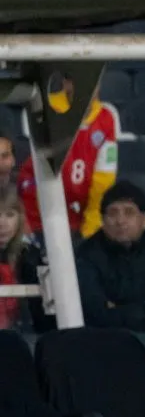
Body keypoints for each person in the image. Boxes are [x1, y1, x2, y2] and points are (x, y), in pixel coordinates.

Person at [76, 181, 145, 332]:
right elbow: (96, 316)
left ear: (144, 221)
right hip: (108, 343)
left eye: (129, 212)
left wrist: (119, 310)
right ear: (102, 221)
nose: (120, 221)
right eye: (113, 213)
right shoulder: (86, 255)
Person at [18, 78, 119, 244]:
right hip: (39, 215)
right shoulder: (47, 107)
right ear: (66, 83)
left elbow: (104, 179)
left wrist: (91, 231)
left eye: (95, 80)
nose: (89, 88)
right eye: (81, 80)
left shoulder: (106, 118)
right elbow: (32, 170)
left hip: (81, 220)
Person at [0, 186, 47, 332]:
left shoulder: (30, 255)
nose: (2, 223)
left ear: (19, 218)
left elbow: (41, 313)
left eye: (9, 215)